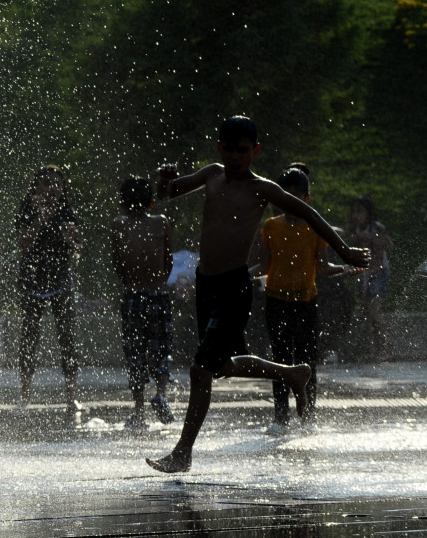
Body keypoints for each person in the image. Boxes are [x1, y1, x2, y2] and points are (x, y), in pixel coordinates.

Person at [146, 116, 370, 473]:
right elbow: (166, 195)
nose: (236, 157)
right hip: (207, 285)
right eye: (229, 149)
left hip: (234, 288)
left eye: (244, 150)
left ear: (256, 151)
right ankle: (293, 374)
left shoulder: (262, 188)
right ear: (220, 148)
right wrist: (164, 180)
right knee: (220, 366)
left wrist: (343, 251)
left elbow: (308, 213)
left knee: (200, 369)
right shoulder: (212, 174)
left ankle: (182, 452)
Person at [250, 168, 359, 433]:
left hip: (306, 303)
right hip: (276, 302)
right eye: (286, 197)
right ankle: (280, 418)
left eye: (296, 197)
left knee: (308, 362)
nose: (291, 203)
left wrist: (344, 269)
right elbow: (264, 267)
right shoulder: (271, 227)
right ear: (278, 199)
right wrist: (238, 276)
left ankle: (308, 418)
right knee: (280, 361)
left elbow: (322, 267)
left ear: (306, 199)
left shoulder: (315, 229)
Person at [15, 165, 84, 423]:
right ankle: (24, 397)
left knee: (67, 338)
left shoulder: (68, 212)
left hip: (60, 283)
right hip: (32, 283)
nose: (53, 188)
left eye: (57, 183)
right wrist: (40, 219)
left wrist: (73, 240)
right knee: (29, 337)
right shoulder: (27, 209)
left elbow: (78, 250)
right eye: (47, 183)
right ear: (36, 187)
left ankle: (71, 397)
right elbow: (22, 244)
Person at [111, 177, 175, 434]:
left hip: (133, 296)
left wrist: (130, 282)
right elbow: (168, 260)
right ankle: (160, 394)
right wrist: (158, 281)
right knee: (160, 347)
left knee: (135, 352)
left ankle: (138, 413)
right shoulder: (161, 223)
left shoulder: (119, 224)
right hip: (158, 295)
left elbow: (117, 262)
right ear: (151, 202)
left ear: (122, 203)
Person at [349, 196, 394, 362]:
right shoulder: (355, 230)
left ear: (368, 214)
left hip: (379, 272)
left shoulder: (377, 227)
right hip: (364, 273)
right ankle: (372, 350)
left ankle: (385, 348)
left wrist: (370, 238)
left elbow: (389, 245)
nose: (355, 214)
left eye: (359, 211)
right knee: (367, 313)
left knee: (374, 310)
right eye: (354, 211)